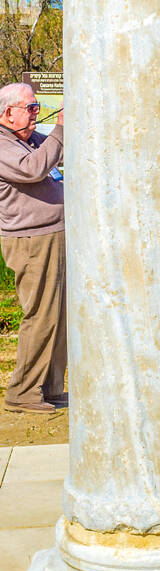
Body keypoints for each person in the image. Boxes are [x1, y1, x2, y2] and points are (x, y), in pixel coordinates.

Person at [0, 84, 67, 414]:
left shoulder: (31, 139)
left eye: (37, 105)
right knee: (40, 316)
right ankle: (23, 392)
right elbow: (33, 168)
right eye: (30, 106)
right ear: (7, 113)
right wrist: (61, 129)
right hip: (30, 241)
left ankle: (50, 388)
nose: (36, 111)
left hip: (54, 234)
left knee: (59, 317)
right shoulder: (3, 144)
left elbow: (59, 154)